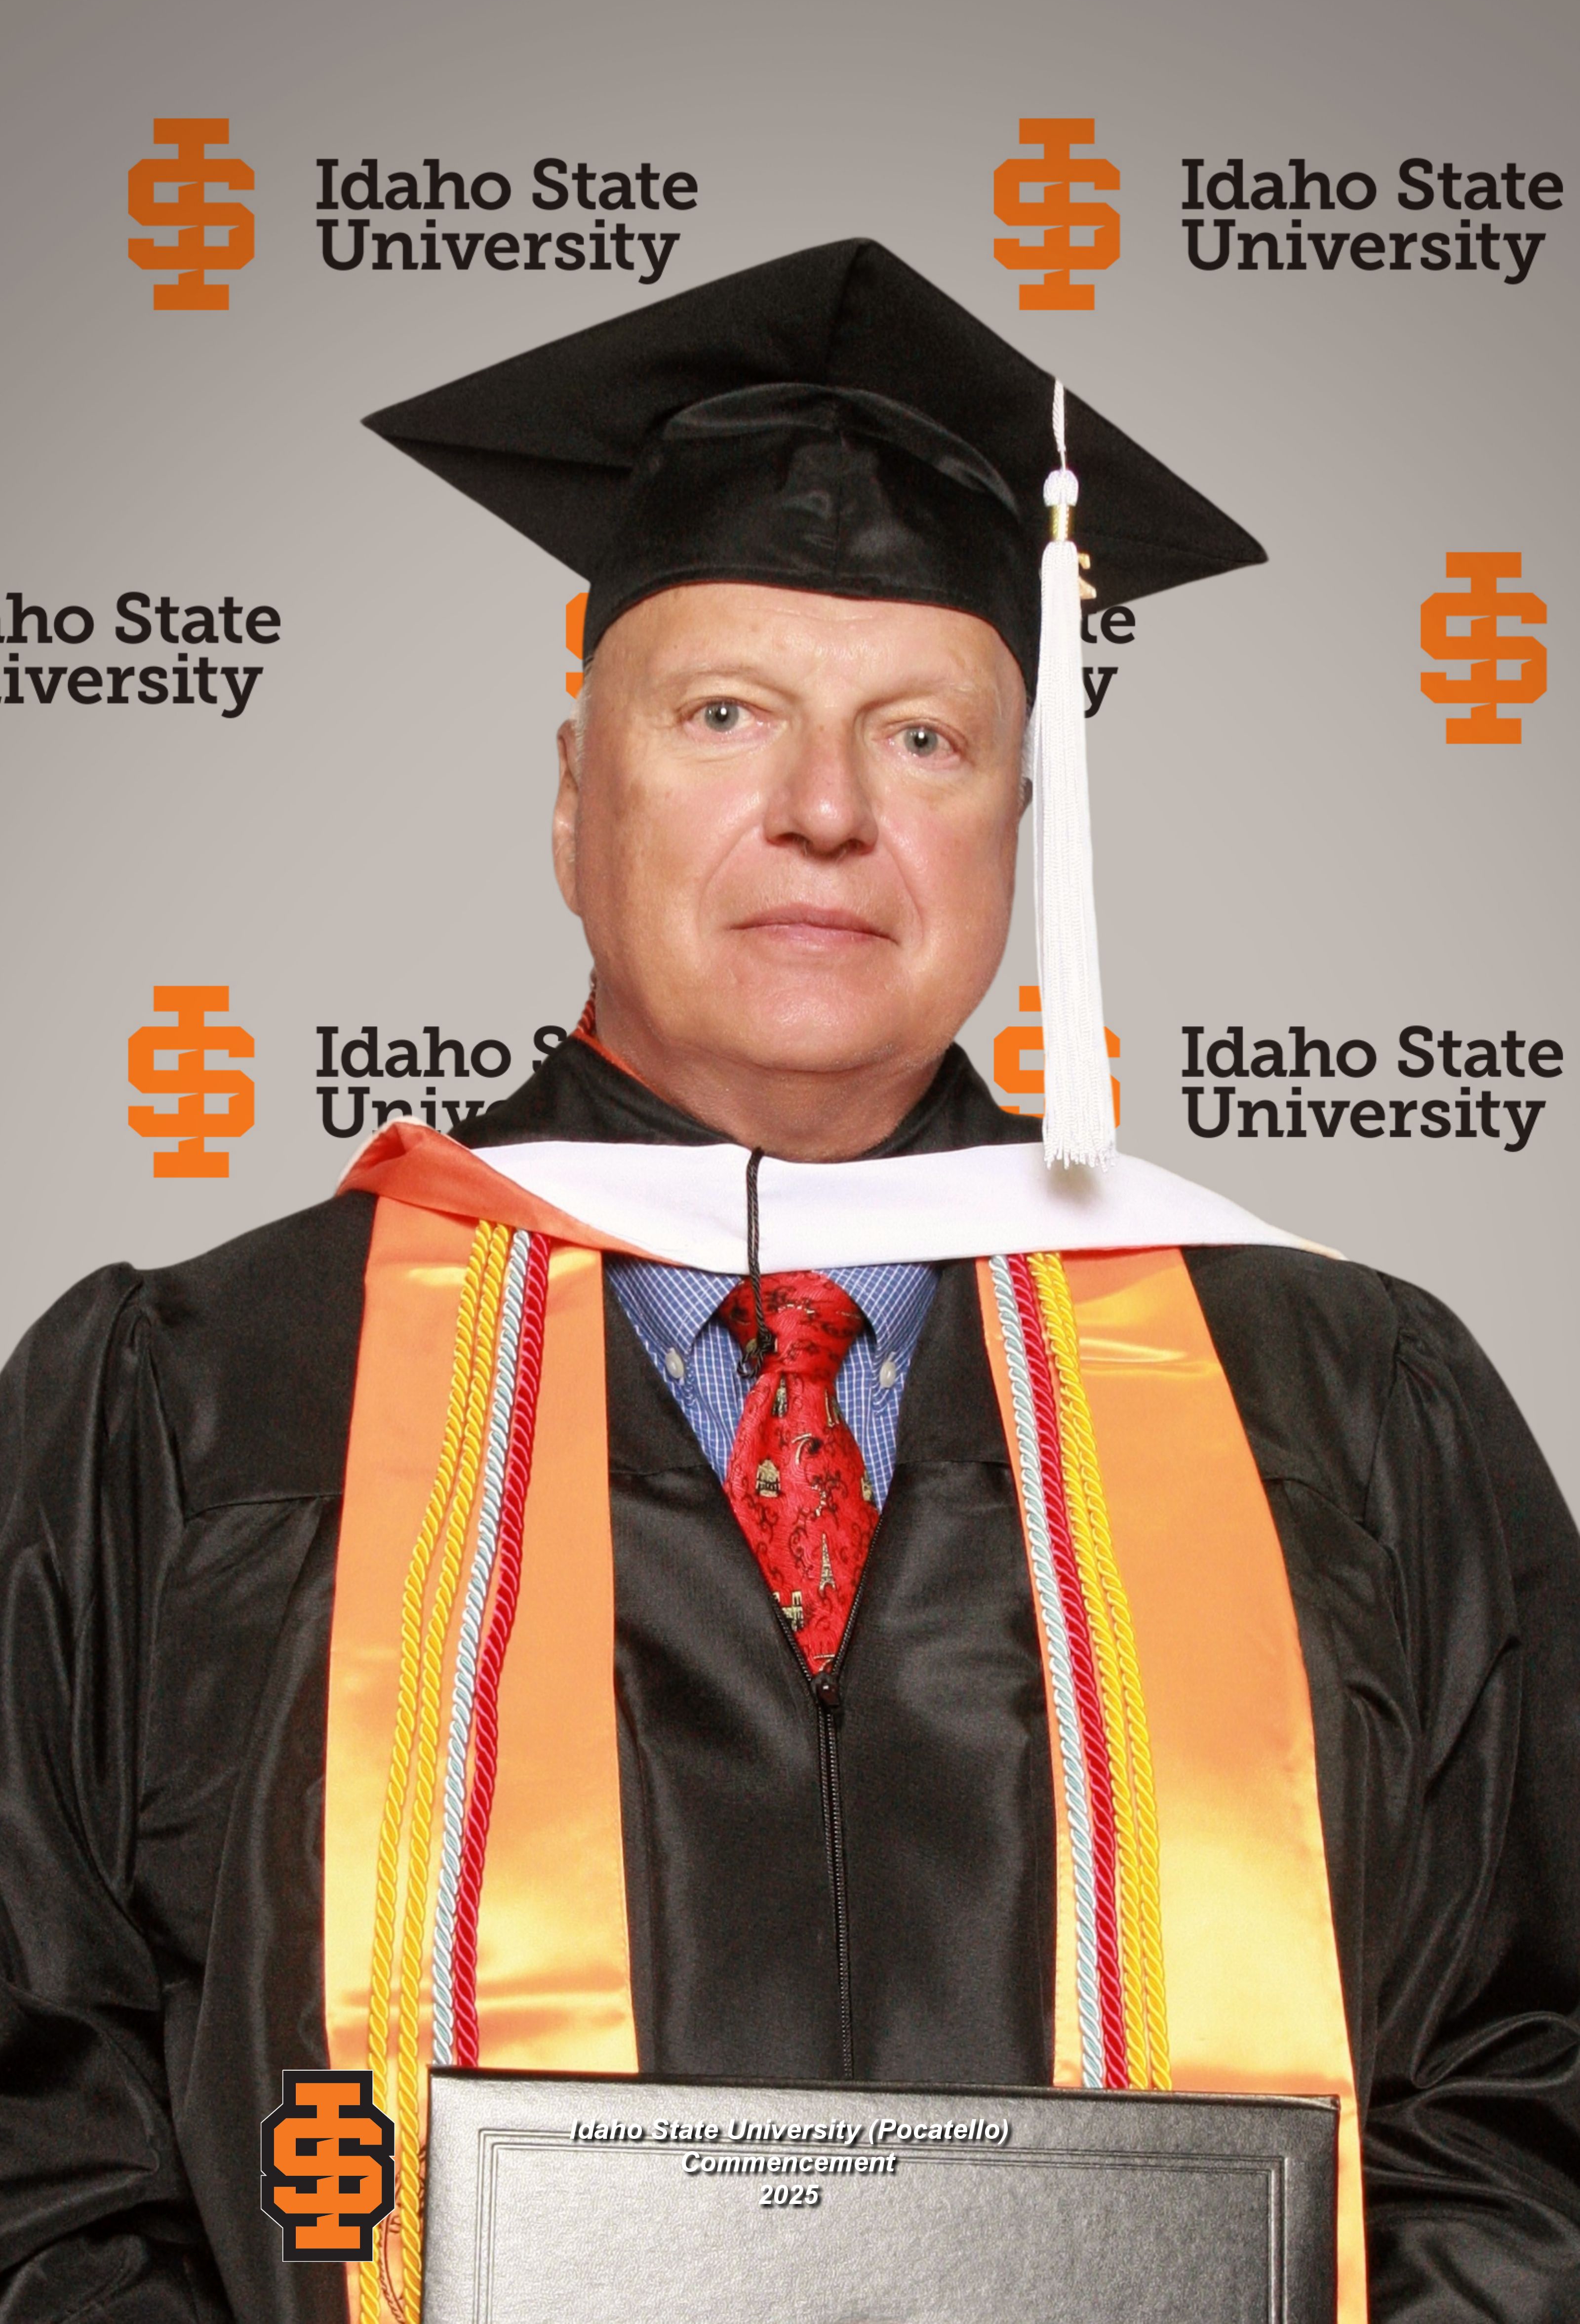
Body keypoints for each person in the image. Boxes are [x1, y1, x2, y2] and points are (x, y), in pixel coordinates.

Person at [0, 241, 1575, 2324]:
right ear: (574, 800)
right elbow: (37, 2144)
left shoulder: (1344, 1394)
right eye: (725, 716)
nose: (826, 813)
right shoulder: (188, 1399)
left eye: (921, 739)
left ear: (1018, 825)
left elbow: (1527, 2092)